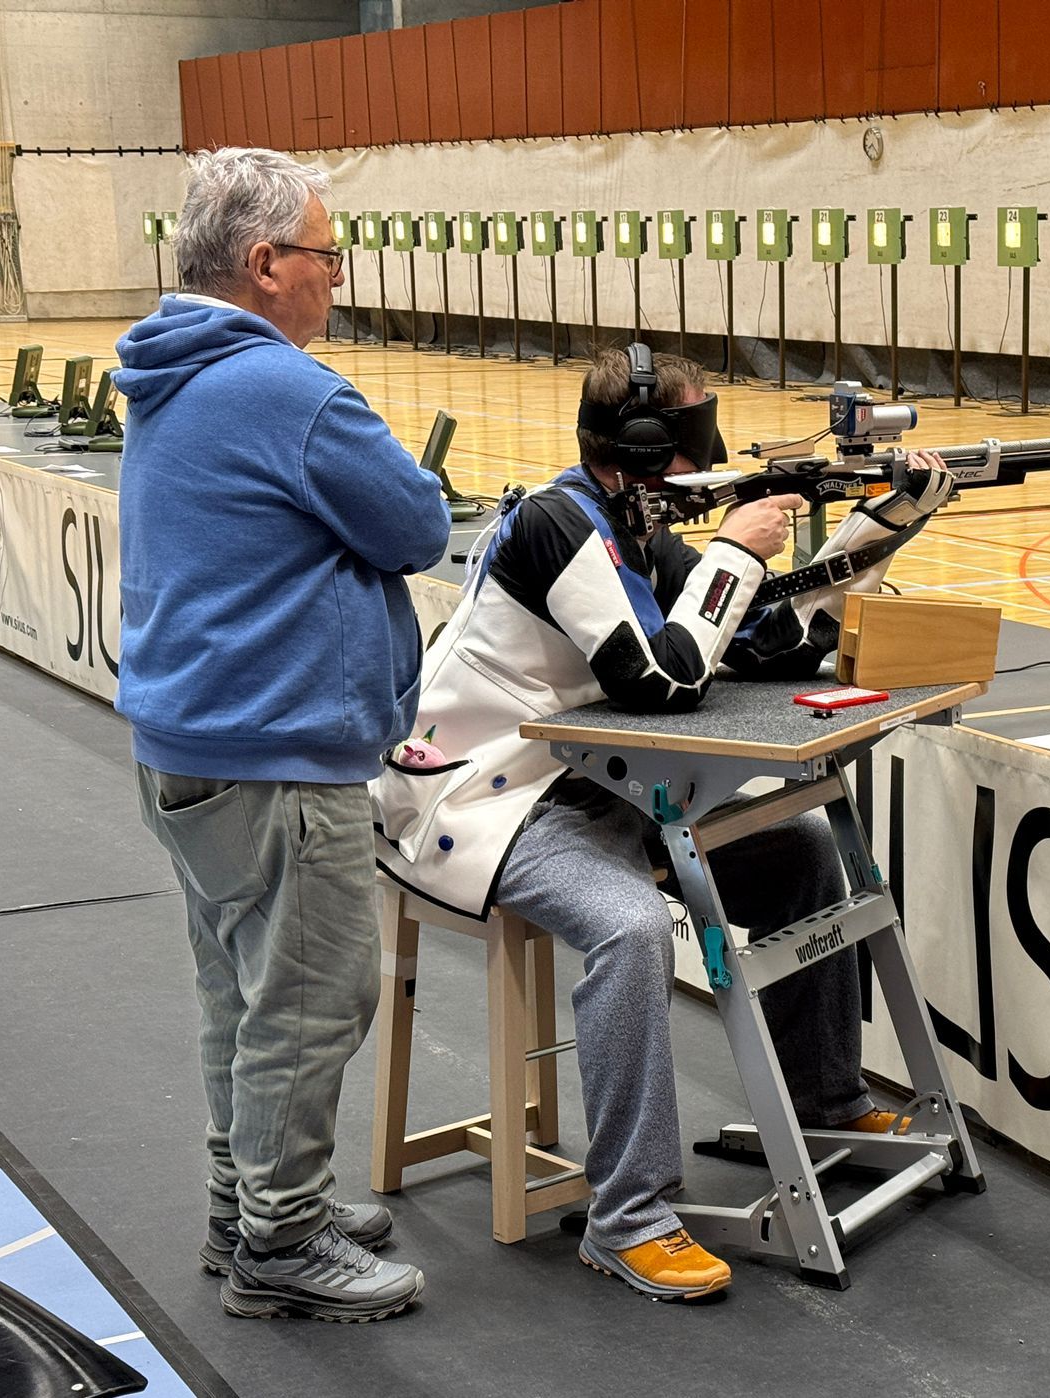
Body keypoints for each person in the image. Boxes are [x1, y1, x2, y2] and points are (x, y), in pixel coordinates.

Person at [375, 343, 952, 1300]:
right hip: (488, 803)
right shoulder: (560, 523)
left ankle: (826, 1101)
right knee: (633, 926)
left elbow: (762, 641)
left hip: (600, 789)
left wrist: (881, 525)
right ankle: (627, 1217)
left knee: (804, 855)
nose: (707, 450)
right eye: (694, 427)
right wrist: (736, 551)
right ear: (644, 440)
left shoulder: (636, 528)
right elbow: (660, 679)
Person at [114, 146, 451, 1324]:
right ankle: (283, 1239)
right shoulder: (284, 388)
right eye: (325, 254)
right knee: (309, 1004)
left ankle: (246, 1206)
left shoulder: (171, 364)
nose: (335, 276)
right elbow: (415, 526)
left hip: (192, 746)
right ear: (264, 263)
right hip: (272, 755)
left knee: (242, 997)